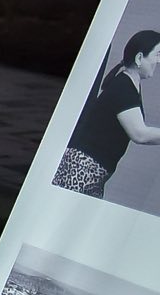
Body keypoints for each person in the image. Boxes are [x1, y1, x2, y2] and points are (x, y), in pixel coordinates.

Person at [53, 31, 160, 197]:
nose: (159, 61)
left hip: (91, 172)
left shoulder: (129, 84)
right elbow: (140, 134)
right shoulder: (123, 87)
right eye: (157, 54)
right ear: (139, 58)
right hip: (81, 169)